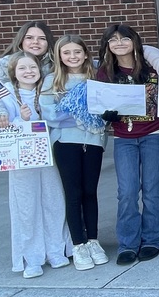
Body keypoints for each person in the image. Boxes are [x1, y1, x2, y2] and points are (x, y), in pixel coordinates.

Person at [0, 52, 72, 278]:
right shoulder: (3, 89)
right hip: (20, 159)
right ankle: (31, 257)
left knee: (54, 200)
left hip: (49, 154)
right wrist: (3, 116)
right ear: (13, 71)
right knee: (26, 206)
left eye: (32, 67)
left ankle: (56, 249)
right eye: (22, 68)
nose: (28, 72)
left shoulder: (47, 88)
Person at [96, 24, 159, 265]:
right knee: (126, 192)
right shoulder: (105, 72)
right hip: (123, 138)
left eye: (124, 38)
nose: (119, 43)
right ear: (107, 45)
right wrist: (106, 115)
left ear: (134, 41)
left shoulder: (151, 68)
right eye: (113, 40)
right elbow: (97, 104)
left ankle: (152, 239)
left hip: (153, 134)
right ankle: (127, 243)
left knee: (151, 188)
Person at [39, 35, 108, 270]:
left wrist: (96, 115)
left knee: (90, 191)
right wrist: (83, 115)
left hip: (94, 142)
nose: (72, 57)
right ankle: (78, 244)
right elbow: (50, 114)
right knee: (74, 192)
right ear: (59, 56)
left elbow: (105, 108)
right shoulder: (52, 81)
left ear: (86, 53)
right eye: (66, 52)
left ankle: (93, 241)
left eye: (77, 51)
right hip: (66, 143)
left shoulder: (97, 77)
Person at [0, 21, 56, 122]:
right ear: (21, 40)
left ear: (48, 42)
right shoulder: (5, 64)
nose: (35, 42)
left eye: (42, 38)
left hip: (53, 126)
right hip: (18, 126)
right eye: (29, 38)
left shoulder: (55, 64)